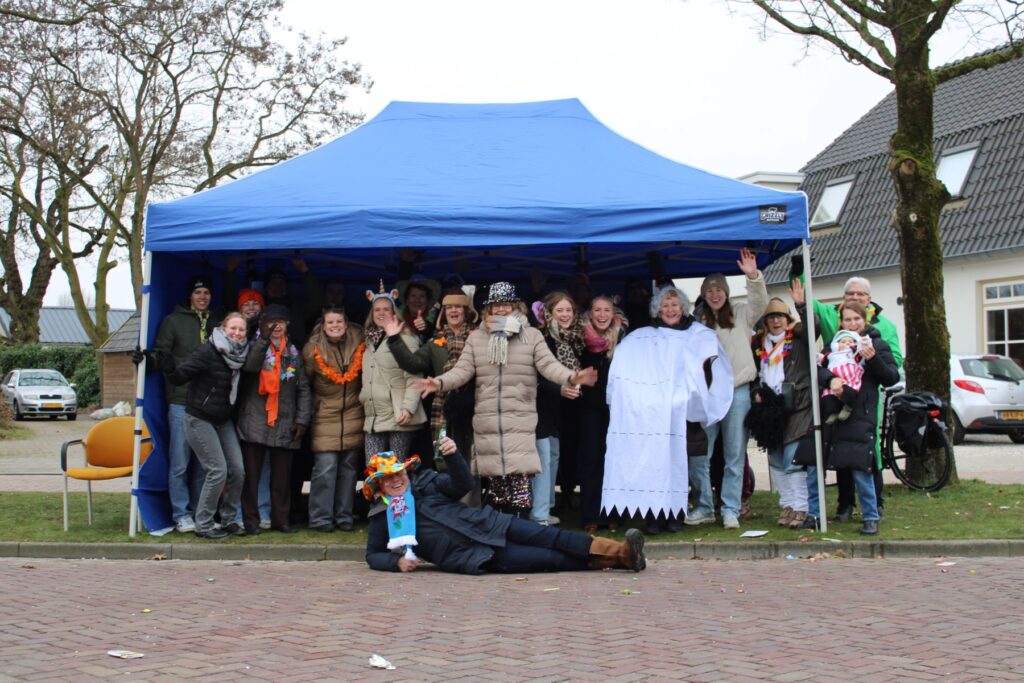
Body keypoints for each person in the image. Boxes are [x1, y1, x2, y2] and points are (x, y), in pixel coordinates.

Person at [413, 282, 598, 519]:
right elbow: (462, 370)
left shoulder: (531, 336)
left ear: (515, 306)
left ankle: (520, 532)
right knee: (497, 494)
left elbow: (548, 366)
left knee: (519, 493)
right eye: (496, 305)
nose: (500, 309)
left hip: (519, 421)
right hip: (488, 423)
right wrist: (438, 383)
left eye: (505, 305)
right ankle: (500, 534)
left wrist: (571, 377)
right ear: (488, 309)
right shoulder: (477, 338)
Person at [364, 437, 646, 574]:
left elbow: (462, 484)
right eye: (388, 478)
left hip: (490, 523)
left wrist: (453, 456)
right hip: (472, 555)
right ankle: (620, 560)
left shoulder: (427, 482)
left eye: (399, 474)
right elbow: (373, 555)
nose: (396, 480)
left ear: (406, 473)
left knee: (552, 535)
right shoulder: (381, 516)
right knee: (548, 558)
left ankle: (623, 552)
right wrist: (396, 562)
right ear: (379, 486)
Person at [602, 285, 733, 534]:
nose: (670, 310)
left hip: (684, 412)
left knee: (679, 462)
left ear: (682, 307)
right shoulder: (643, 337)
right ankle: (654, 515)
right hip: (653, 414)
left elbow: (708, 368)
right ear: (658, 310)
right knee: (655, 462)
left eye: (674, 305)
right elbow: (629, 366)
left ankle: (676, 513)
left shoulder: (698, 334)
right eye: (665, 305)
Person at [805, 274, 903, 519]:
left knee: (863, 461)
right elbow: (820, 367)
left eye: (857, 319)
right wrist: (831, 380)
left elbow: (891, 376)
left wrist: (873, 359)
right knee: (841, 456)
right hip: (837, 406)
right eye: (848, 319)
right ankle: (845, 506)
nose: (852, 323)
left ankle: (873, 511)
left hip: (863, 409)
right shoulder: (836, 342)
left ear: (866, 315)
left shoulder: (878, 341)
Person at [691, 248, 767, 530]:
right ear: (704, 294)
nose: (715, 294)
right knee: (700, 453)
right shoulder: (697, 322)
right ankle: (704, 506)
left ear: (726, 291)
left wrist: (753, 277)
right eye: (709, 290)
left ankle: (731, 509)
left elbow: (760, 303)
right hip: (709, 395)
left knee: (734, 454)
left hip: (738, 391)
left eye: (719, 289)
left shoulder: (741, 313)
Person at [163, 312, 250, 539]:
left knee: (238, 470)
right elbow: (181, 375)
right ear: (223, 328)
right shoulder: (208, 351)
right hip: (199, 417)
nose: (237, 333)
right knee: (217, 470)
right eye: (233, 328)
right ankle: (203, 523)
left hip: (223, 419)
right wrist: (169, 368)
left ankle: (228, 519)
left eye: (241, 329)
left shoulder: (242, 354)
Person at [149, 275, 220, 533]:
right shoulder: (173, 321)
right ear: (190, 295)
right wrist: (147, 359)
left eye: (206, 293)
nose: (202, 297)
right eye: (198, 292)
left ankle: (202, 513)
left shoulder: (217, 322)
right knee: (180, 461)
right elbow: (161, 353)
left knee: (204, 463)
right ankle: (181, 514)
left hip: (207, 403)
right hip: (181, 400)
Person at [385, 290, 479, 481]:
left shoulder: (479, 337)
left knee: (473, 461)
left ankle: (471, 500)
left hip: (475, 407)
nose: (453, 311)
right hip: (445, 408)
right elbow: (412, 364)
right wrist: (394, 339)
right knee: (445, 460)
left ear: (467, 311)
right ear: (443, 312)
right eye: (449, 307)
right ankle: (450, 499)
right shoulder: (435, 342)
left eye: (458, 307)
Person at [235, 304, 312, 535]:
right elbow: (250, 367)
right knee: (252, 476)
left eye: (281, 322)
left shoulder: (294, 352)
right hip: (255, 420)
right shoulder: (254, 345)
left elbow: (303, 389)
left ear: (288, 325)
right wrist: (262, 340)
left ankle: (281, 520)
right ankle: (251, 520)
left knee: (282, 478)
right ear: (263, 324)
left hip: (284, 420)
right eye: (271, 322)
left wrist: (302, 420)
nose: (276, 326)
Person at [747, 298, 814, 529]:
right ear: (765, 322)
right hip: (770, 409)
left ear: (788, 319)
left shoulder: (799, 339)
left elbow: (813, 327)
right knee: (776, 460)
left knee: (792, 459)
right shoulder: (758, 344)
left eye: (780, 317)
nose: (776, 321)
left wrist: (801, 306)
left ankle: (801, 507)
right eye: (772, 317)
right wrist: (756, 392)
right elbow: (753, 374)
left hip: (798, 407)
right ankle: (787, 505)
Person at [303, 305, 366, 532]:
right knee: (325, 467)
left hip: (353, 412)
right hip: (325, 414)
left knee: (349, 469)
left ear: (346, 324)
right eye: (330, 322)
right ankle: (320, 518)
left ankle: (344, 516)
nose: (335, 326)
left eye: (339, 321)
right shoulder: (312, 349)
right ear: (323, 325)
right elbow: (306, 383)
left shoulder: (360, 340)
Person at [533, 291, 585, 526]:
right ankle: (539, 513)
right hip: (540, 407)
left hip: (561, 410)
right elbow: (535, 376)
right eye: (559, 310)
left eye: (568, 310)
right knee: (543, 457)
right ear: (549, 313)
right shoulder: (541, 338)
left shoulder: (575, 338)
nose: (565, 315)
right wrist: (559, 389)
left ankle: (546, 508)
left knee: (553, 455)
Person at [360, 281, 427, 461]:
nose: (381, 313)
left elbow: (414, 376)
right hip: (374, 417)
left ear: (394, 312)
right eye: (377, 310)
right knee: (373, 470)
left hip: (399, 415)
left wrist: (409, 408)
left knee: (396, 470)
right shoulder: (368, 341)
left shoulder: (405, 337)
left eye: (386, 309)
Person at [577, 295, 627, 532]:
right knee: (591, 459)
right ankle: (591, 515)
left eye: (607, 310)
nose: (602, 314)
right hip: (588, 408)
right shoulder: (579, 337)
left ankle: (615, 513)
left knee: (616, 460)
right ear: (590, 313)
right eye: (597, 310)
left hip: (617, 408)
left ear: (613, 313)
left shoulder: (624, 337)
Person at [821, 330, 865, 423]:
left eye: (850, 341)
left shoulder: (854, 353)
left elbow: (862, 358)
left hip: (850, 378)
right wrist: (819, 358)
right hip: (834, 378)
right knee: (828, 394)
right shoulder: (831, 355)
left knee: (851, 392)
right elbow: (822, 363)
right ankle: (832, 412)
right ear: (836, 345)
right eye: (843, 341)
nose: (847, 343)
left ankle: (847, 408)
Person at [397, 277, 442, 342]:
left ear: (427, 301)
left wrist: (425, 328)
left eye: (422, 296)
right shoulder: (396, 319)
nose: (417, 300)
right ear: (407, 301)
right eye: (413, 296)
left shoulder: (437, 319)